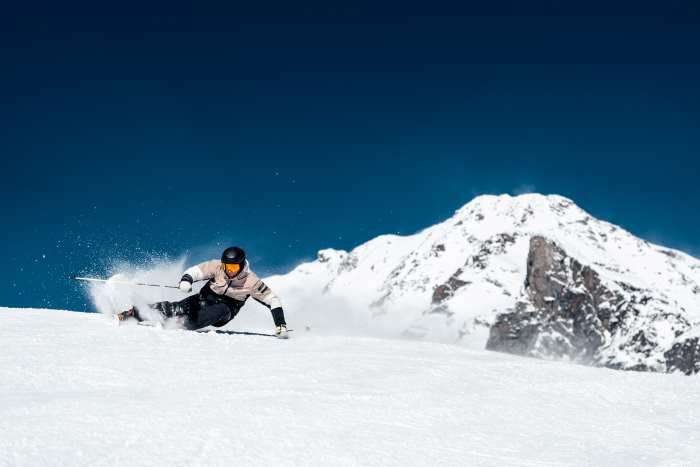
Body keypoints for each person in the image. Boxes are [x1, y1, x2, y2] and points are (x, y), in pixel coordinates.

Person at [116, 246, 289, 338]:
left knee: (217, 310)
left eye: (234, 267)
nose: (229, 270)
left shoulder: (251, 281)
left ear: (241, 265)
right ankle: (134, 313)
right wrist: (186, 280)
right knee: (176, 307)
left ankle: (182, 324)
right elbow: (196, 271)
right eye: (227, 266)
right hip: (204, 298)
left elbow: (273, 300)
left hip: (225, 310)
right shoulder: (216, 266)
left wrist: (280, 324)